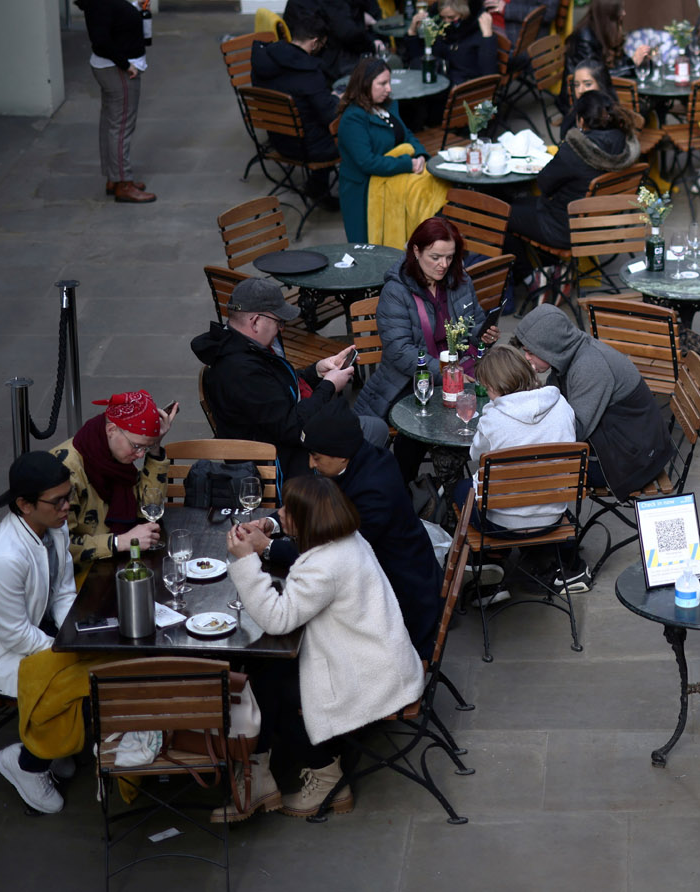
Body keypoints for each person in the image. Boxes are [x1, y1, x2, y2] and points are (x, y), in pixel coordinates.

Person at [228, 474, 421, 817]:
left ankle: (326, 779)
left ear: (308, 520)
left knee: (267, 688)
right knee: (263, 670)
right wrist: (273, 527)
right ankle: (258, 772)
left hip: (369, 676)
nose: (281, 513)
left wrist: (245, 563)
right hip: (381, 658)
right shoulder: (344, 538)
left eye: (288, 510)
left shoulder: (324, 567)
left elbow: (276, 619)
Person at [0, 451, 83, 813]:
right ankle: (28, 763)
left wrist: (73, 630)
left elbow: (62, 589)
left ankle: (55, 744)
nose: (66, 508)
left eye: (67, 496)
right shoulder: (4, 558)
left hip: (31, 631)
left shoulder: (52, 527)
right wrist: (68, 650)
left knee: (91, 663)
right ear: (25, 505)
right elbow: (14, 637)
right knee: (78, 679)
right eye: (57, 501)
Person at [291, 407, 444, 661]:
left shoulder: (373, 491)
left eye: (316, 457)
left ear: (341, 456)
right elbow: (309, 503)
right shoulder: (362, 460)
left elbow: (335, 555)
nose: (310, 464)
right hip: (389, 578)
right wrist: (274, 523)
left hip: (400, 605)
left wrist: (270, 548)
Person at [191, 276, 385, 470]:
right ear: (256, 321)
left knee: (372, 430)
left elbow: (276, 388)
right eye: (279, 321)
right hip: (284, 463)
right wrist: (329, 386)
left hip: (288, 442)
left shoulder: (243, 348)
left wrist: (316, 371)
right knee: (376, 433)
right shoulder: (241, 371)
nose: (281, 328)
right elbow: (292, 428)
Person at [515, 304, 676, 530]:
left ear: (550, 348)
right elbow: (554, 399)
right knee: (525, 461)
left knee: (531, 468)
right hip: (626, 443)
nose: (526, 357)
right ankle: (544, 532)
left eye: (531, 352)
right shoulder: (571, 353)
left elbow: (573, 432)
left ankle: (548, 539)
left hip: (633, 460)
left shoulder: (590, 367)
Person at [357, 216, 499, 437]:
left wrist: (484, 335)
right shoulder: (396, 291)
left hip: (462, 372)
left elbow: (473, 324)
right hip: (412, 380)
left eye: (449, 257)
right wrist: (449, 374)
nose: (444, 265)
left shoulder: (460, 280)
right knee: (420, 429)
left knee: (491, 413)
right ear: (416, 251)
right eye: (435, 257)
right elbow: (401, 352)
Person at [465, 345, 585, 589]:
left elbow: (475, 455)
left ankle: (485, 563)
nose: (487, 394)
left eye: (487, 388)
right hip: (552, 515)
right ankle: (506, 560)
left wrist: (491, 409)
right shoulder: (561, 404)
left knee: (462, 490)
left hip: (501, 524)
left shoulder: (494, 419)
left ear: (496, 386)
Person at [51, 390, 176, 569]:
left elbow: (146, 506)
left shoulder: (114, 452)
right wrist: (120, 541)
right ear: (111, 430)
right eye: (137, 446)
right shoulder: (65, 471)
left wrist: (154, 446)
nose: (140, 455)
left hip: (116, 562)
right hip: (82, 576)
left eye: (145, 448)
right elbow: (60, 548)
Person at [509, 89, 641, 254]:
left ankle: (527, 275)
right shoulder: (624, 143)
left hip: (566, 230)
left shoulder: (574, 150)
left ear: (581, 120)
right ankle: (547, 269)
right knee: (522, 204)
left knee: (502, 213)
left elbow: (544, 184)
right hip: (605, 222)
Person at [74, 0, 154, 203]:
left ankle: (114, 176)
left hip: (110, 69)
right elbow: (101, 41)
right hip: (116, 70)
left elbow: (113, 17)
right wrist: (125, 64)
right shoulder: (99, 2)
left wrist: (134, 8)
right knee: (120, 128)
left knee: (111, 124)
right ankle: (123, 184)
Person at [334, 57, 431, 247]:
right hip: (362, 192)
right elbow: (367, 162)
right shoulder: (353, 119)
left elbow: (406, 134)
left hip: (391, 183)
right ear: (365, 84)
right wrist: (408, 164)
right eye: (383, 83)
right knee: (369, 251)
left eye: (389, 82)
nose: (389, 89)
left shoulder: (388, 106)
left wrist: (420, 154)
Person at [252, 15, 342, 204]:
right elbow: (330, 116)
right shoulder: (309, 72)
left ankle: (318, 187)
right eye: (322, 45)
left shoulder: (265, 59)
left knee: (311, 118)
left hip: (278, 139)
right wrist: (338, 99)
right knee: (355, 129)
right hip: (309, 148)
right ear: (315, 43)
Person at [287, 0, 379, 82]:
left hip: (299, 44)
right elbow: (348, 33)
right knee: (381, 66)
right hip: (320, 58)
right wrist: (373, 44)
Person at [406, 0, 498, 86]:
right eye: (443, 17)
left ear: (464, 13)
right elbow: (420, 60)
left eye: (451, 17)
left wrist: (488, 37)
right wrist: (412, 31)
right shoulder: (440, 26)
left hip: (462, 89)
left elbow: (489, 76)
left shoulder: (477, 30)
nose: (446, 21)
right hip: (440, 81)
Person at [565, 0, 637, 79]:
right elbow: (596, 76)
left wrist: (633, 62)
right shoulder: (585, 37)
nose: (624, 13)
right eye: (620, 9)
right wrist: (632, 64)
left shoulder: (604, 30)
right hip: (583, 91)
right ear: (608, 13)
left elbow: (618, 61)